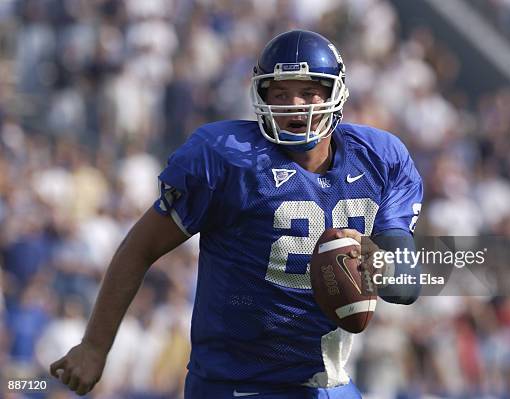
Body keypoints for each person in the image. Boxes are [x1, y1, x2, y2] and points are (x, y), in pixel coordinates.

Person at [50, 30, 423, 399]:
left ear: (334, 94)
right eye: (279, 93)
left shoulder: (379, 158)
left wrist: (378, 258)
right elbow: (140, 247)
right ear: (261, 97)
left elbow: (404, 286)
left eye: (308, 92)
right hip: (238, 385)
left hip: (330, 384)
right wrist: (95, 345)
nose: (294, 104)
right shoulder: (227, 158)